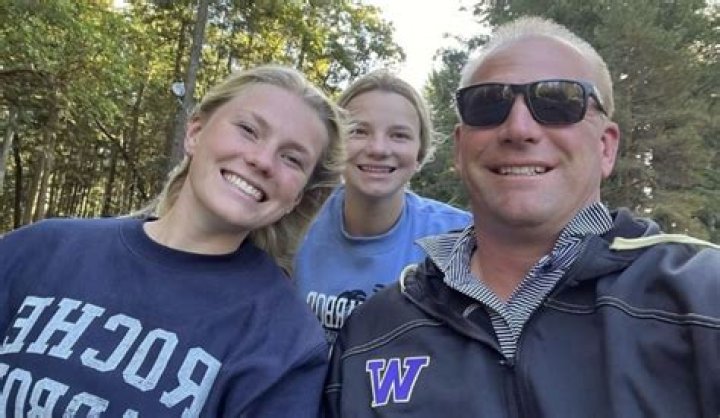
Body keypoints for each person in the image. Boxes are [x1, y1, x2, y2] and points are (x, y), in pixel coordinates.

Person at [324, 16, 720, 417]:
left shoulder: (702, 300)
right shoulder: (371, 335)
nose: (518, 128)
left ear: (606, 146)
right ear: (459, 149)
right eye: (487, 104)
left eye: (558, 103)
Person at [0, 65, 346, 417]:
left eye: (292, 159)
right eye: (248, 130)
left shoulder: (284, 340)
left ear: (297, 198)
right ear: (195, 131)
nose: (262, 161)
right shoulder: (40, 250)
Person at [294, 70, 471, 344]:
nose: (378, 148)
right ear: (335, 144)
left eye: (399, 135)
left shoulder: (460, 238)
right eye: (358, 131)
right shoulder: (296, 220)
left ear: (419, 155)